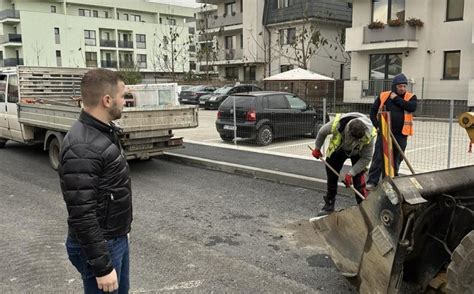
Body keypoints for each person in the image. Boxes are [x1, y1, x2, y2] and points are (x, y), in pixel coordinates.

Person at [58, 69, 131, 293]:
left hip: (113, 239)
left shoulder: (102, 132)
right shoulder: (83, 146)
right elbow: (82, 213)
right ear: (107, 100)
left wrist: (122, 230)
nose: (125, 102)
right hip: (102, 247)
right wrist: (102, 267)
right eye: (122, 96)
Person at [312, 112, 376, 216]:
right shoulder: (338, 124)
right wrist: (317, 148)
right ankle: (329, 204)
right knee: (332, 176)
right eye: (353, 139)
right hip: (339, 148)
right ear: (348, 131)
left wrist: (351, 173)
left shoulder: (369, 135)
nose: (354, 141)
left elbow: (366, 158)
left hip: (358, 152)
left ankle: (363, 207)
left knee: (358, 181)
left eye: (357, 139)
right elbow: (322, 132)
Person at [366, 73, 417, 189]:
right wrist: (377, 125)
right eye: (400, 86)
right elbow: (373, 111)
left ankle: (392, 180)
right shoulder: (383, 96)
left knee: (397, 157)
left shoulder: (410, 97)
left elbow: (411, 107)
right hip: (384, 132)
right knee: (379, 157)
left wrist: (397, 98)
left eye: (404, 86)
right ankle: (372, 181)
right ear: (394, 86)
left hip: (401, 134)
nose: (402, 88)